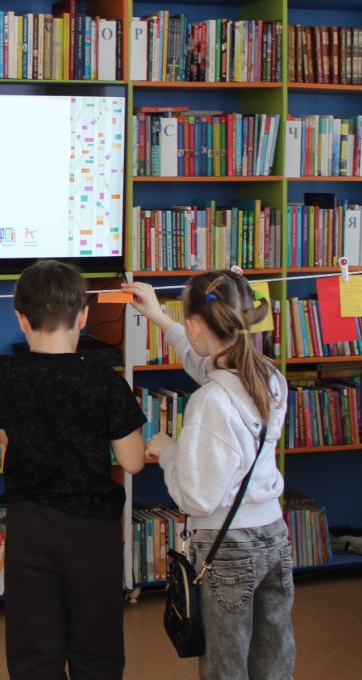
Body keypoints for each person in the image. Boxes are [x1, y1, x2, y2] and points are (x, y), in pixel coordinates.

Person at [125, 271, 295, 680]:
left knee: (225, 666)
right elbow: (207, 365)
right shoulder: (269, 377)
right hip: (274, 534)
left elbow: (197, 497)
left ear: (197, 326)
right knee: (273, 660)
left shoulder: (209, 401)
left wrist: (170, 452)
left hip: (228, 545)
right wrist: (161, 320)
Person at [0, 260, 146, 680]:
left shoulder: (5, 372)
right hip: (91, 529)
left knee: (34, 646)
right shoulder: (104, 379)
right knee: (96, 644)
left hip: (30, 524)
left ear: (21, 319)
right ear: (84, 315)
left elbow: (4, 435)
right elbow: (132, 461)